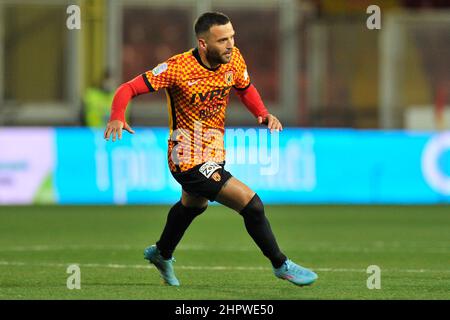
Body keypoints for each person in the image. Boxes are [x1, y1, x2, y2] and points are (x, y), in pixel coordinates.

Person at [104, 12, 318, 287]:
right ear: (203, 44)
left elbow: (245, 87)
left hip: (213, 153)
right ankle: (281, 264)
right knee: (251, 205)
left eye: (232, 37)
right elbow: (127, 88)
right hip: (185, 158)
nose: (230, 44)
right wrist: (117, 115)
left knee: (193, 206)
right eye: (223, 40)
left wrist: (262, 113)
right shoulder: (177, 68)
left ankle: (162, 252)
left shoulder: (234, 59)